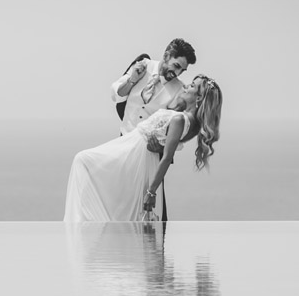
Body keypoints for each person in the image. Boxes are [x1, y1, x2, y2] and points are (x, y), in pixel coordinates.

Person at [64, 75, 222, 222]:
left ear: (199, 97)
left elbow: (167, 157)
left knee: (83, 160)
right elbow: (172, 142)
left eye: (192, 86)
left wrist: (151, 192)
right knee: (88, 167)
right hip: (132, 147)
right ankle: (87, 223)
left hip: (136, 153)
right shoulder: (187, 119)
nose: (186, 86)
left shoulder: (180, 119)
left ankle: (81, 224)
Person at [112, 38, 197, 220]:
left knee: (149, 207)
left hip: (149, 153)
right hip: (123, 142)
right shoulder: (143, 66)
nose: (177, 72)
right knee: (120, 201)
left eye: (182, 69)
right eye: (175, 65)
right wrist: (132, 80)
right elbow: (116, 93)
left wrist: (160, 146)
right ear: (166, 55)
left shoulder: (180, 89)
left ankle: (154, 246)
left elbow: (178, 129)